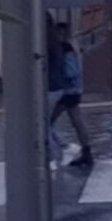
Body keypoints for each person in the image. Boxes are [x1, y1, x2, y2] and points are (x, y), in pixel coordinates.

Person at [52, 22, 93, 167]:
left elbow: (71, 72)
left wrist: (58, 73)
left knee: (47, 122)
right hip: (74, 91)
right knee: (77, 122)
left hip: (68, 92)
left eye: (59, 32)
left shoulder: (66, 49)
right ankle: (86, 152)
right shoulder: (72, 47)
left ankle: (64, 147)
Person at [45, 13, 67, 169]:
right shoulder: (55, 41)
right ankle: (66, 147)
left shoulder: (46, 43)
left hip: (50, 87)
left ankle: (52, 158)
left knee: (43, 125)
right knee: (46, 124)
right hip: (57, 87)